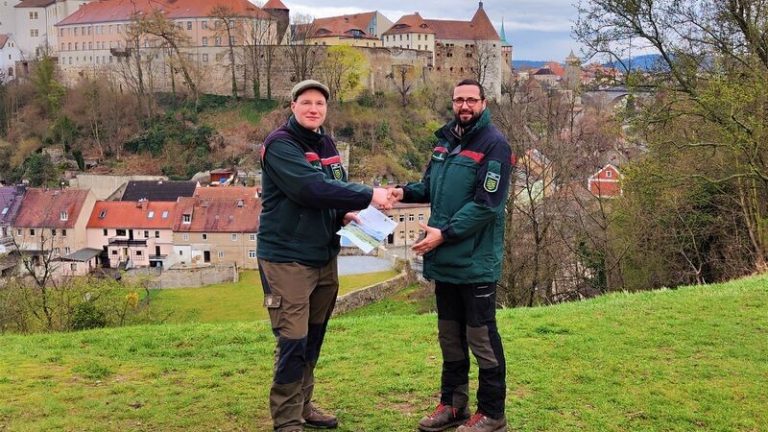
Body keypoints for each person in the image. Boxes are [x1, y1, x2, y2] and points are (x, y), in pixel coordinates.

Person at [258, 79, 393, 432]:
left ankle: (304, 405)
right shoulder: (280, 146)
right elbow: (309, 188)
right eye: (306, 102)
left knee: (314, 335)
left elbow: (330, 194)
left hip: (322, 254)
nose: (313, 108)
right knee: (293, 338)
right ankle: (287, 419)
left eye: (319, 103)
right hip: (287, 257)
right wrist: (368, 195)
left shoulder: (327, 144)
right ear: (293, 106)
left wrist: (345, 214)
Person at [391, 79, 513, 432]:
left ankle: (492, 413)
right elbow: (428, 187)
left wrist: (443, 234)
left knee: (482, 339)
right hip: (444, 260)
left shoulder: (495, 147)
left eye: (471, 100)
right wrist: (401, 191)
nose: (464, 105)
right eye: (459, 99)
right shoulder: (444, 142)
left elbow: (487, 205)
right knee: (449, 336)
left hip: (475, 261)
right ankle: (454, 405)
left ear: (484, 103)